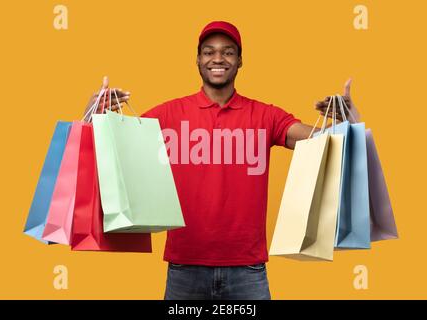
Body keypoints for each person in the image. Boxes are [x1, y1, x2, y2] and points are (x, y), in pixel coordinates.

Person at [84, 21, 360, 300]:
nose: (218, 59)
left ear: (240, 61)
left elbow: (320, 141)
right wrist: (93, 115)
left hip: (248, 269)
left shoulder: (265, 115)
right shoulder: (168, 114)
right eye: (208, 52)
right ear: (197, 60)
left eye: (228, 52)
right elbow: (115, 148)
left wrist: (348, 121)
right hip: (184, 267)